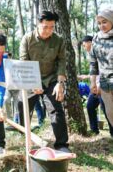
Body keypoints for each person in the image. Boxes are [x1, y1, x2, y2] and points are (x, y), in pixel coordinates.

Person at [19, 11, 69, 152]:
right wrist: (33, 83)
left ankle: (62, 144)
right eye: (45, 26)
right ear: (38, 24)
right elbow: (24, 61)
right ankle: (26, 138)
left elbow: (62, 61)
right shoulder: (27, 39)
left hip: (51, 79)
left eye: (52, 27)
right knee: (23, 106)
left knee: (56, 109)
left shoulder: (58, 40)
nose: (48, 30)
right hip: (31, 78)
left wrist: (60, 83)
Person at [79, 35, 113, 136]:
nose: (84, 47)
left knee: (107, 110)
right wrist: (85, 77)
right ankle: (94, 130)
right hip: (94, 88)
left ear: (91, 42)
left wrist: (99, 85)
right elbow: (94, 72)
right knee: (90, 106)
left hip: (104, 86)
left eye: (85, 45)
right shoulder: (91, 56)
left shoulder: (100, 52)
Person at [90, 9, 113, 127]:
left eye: (104, 22)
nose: (101, 26)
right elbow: (93, 62)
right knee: (110, 114)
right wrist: (93, 82)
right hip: (105, 84)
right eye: (99, 23)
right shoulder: (96, 39)